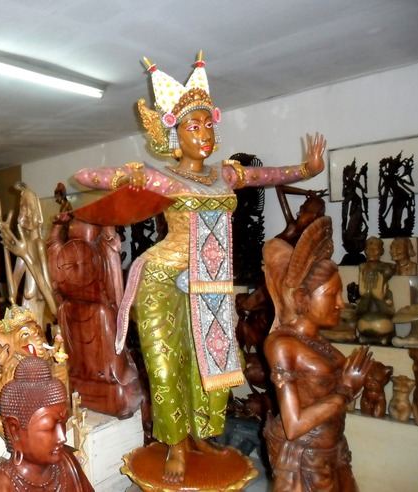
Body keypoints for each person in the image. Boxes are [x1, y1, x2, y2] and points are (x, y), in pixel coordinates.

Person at [73, 52, 326, 482]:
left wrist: (306, 169)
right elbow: (84, 176)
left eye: (208, 124)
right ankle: (174, 442)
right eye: (193, 126)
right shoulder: (163, 178)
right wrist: (126, 177)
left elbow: (267, 176)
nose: (204, 133)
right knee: (166, 365)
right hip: (163, 280)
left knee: (212, 363)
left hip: (211, 283)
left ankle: (199, 435)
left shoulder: (226, 176)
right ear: (175, 133)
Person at [263, 216, 374, 491]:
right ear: (303, 299)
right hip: (305, 460)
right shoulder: (282, 345)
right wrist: (345, 390)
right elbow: (293, 425)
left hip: (335, 450)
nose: (341, 304)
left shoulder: (319, 342)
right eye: (331, 295)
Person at [0, 357, 93, 492]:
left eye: (62, 423)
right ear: (14, 430)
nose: (63, 437)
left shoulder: (69, 465)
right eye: (49, 427)